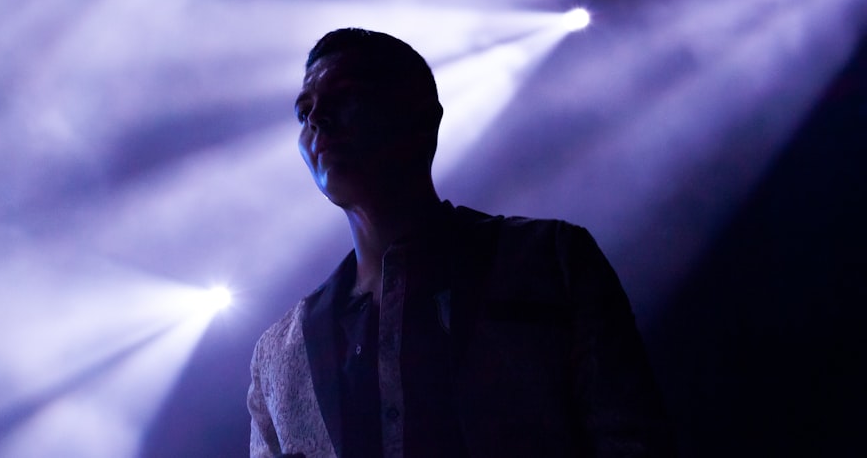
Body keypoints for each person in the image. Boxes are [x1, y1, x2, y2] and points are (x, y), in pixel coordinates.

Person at [247, 28, 675, 458]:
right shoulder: (277, 356)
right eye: (304, 112)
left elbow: (632, 441)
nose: (316, 119)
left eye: (346, 96)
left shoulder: (551, 261)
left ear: (420, 119)